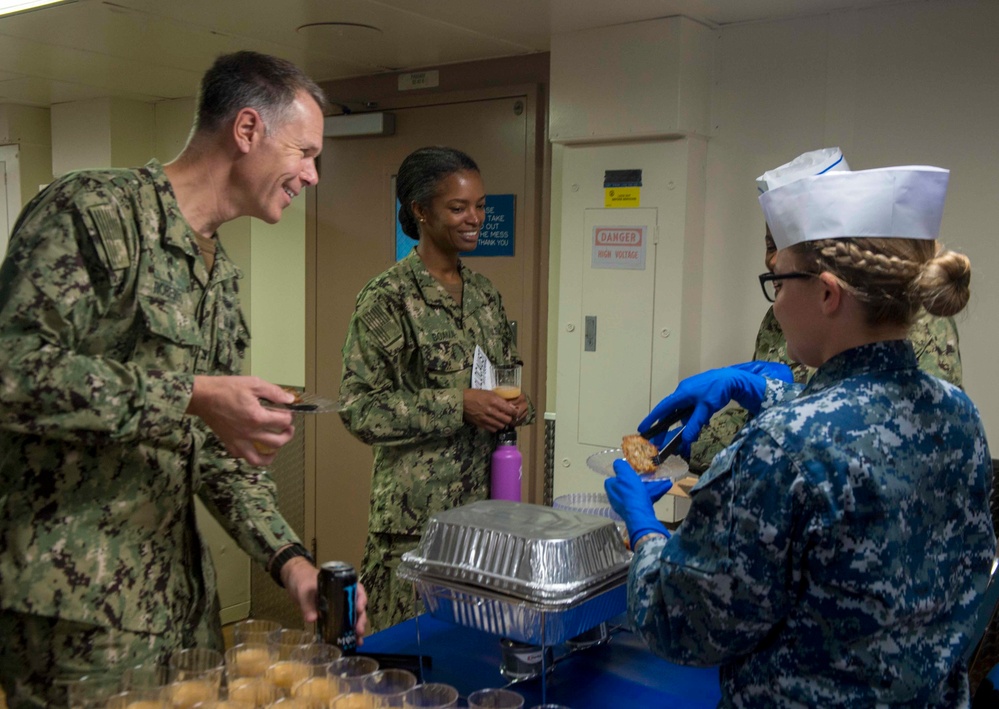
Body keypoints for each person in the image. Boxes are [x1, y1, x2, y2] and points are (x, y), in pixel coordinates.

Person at [0, 51, 366, 707]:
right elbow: (14, 371)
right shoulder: (98, 214)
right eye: (305, 152)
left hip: (179, 611)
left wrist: (291, 560)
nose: (312, 175)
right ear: (248, 130)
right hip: (76, 618)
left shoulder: (218, 279)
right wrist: (190, 393)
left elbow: (220, 458)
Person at [606, 162, 994, 706]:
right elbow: (871, 429)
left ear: (828, 294)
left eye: (778, 283)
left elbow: (683, 622)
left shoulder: (781, 446)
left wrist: (645, 533)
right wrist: (764, 391)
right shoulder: (959, 414)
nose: (776, 303)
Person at [338, 146, 534, 632]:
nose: (475, 219)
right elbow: (359, 409)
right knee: (412, 668)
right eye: (459, 207)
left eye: (481, 206)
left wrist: (517, 406)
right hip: (416, 526)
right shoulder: (388, 298)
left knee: (474, 662)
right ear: (420, 211)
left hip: (484, 519)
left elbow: (502, 376)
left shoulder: (486, 295)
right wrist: (457, 406)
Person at [688, 149, 962, 472]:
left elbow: (903, 431)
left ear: (828, 290)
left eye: (787, 250)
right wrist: (699, 441)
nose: (773, 262)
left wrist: (770, 414)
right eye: (770, 244)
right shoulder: (779, 318)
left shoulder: (907, 318)